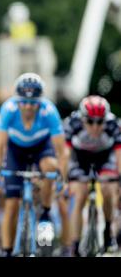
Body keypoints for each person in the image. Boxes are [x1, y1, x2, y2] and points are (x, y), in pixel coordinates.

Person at [0, 73, 69, 257]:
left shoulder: (49, 111)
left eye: (33, 102)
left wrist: (62, 179)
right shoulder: (9, 109)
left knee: (50, 167)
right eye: (23, 102)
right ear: (17, 101)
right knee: (12, 204)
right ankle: (7, 251)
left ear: (40, 101)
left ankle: (45, 213)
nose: (28, 106)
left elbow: (62, 151)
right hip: (15, 150)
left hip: (41, 148)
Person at [64, 95, 121, 256]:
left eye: (100, 121)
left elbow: (119, 156)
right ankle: (75, 244)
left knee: (109, 188)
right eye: (90, 121)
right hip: (80, 158)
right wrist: (64, 178)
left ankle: (108, 229)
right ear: (82, 119)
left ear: (106, 119)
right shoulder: (72, 123)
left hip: (104, 158)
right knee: (79, 195)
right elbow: (65, 154)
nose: (95, 127)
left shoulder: (113, 124)